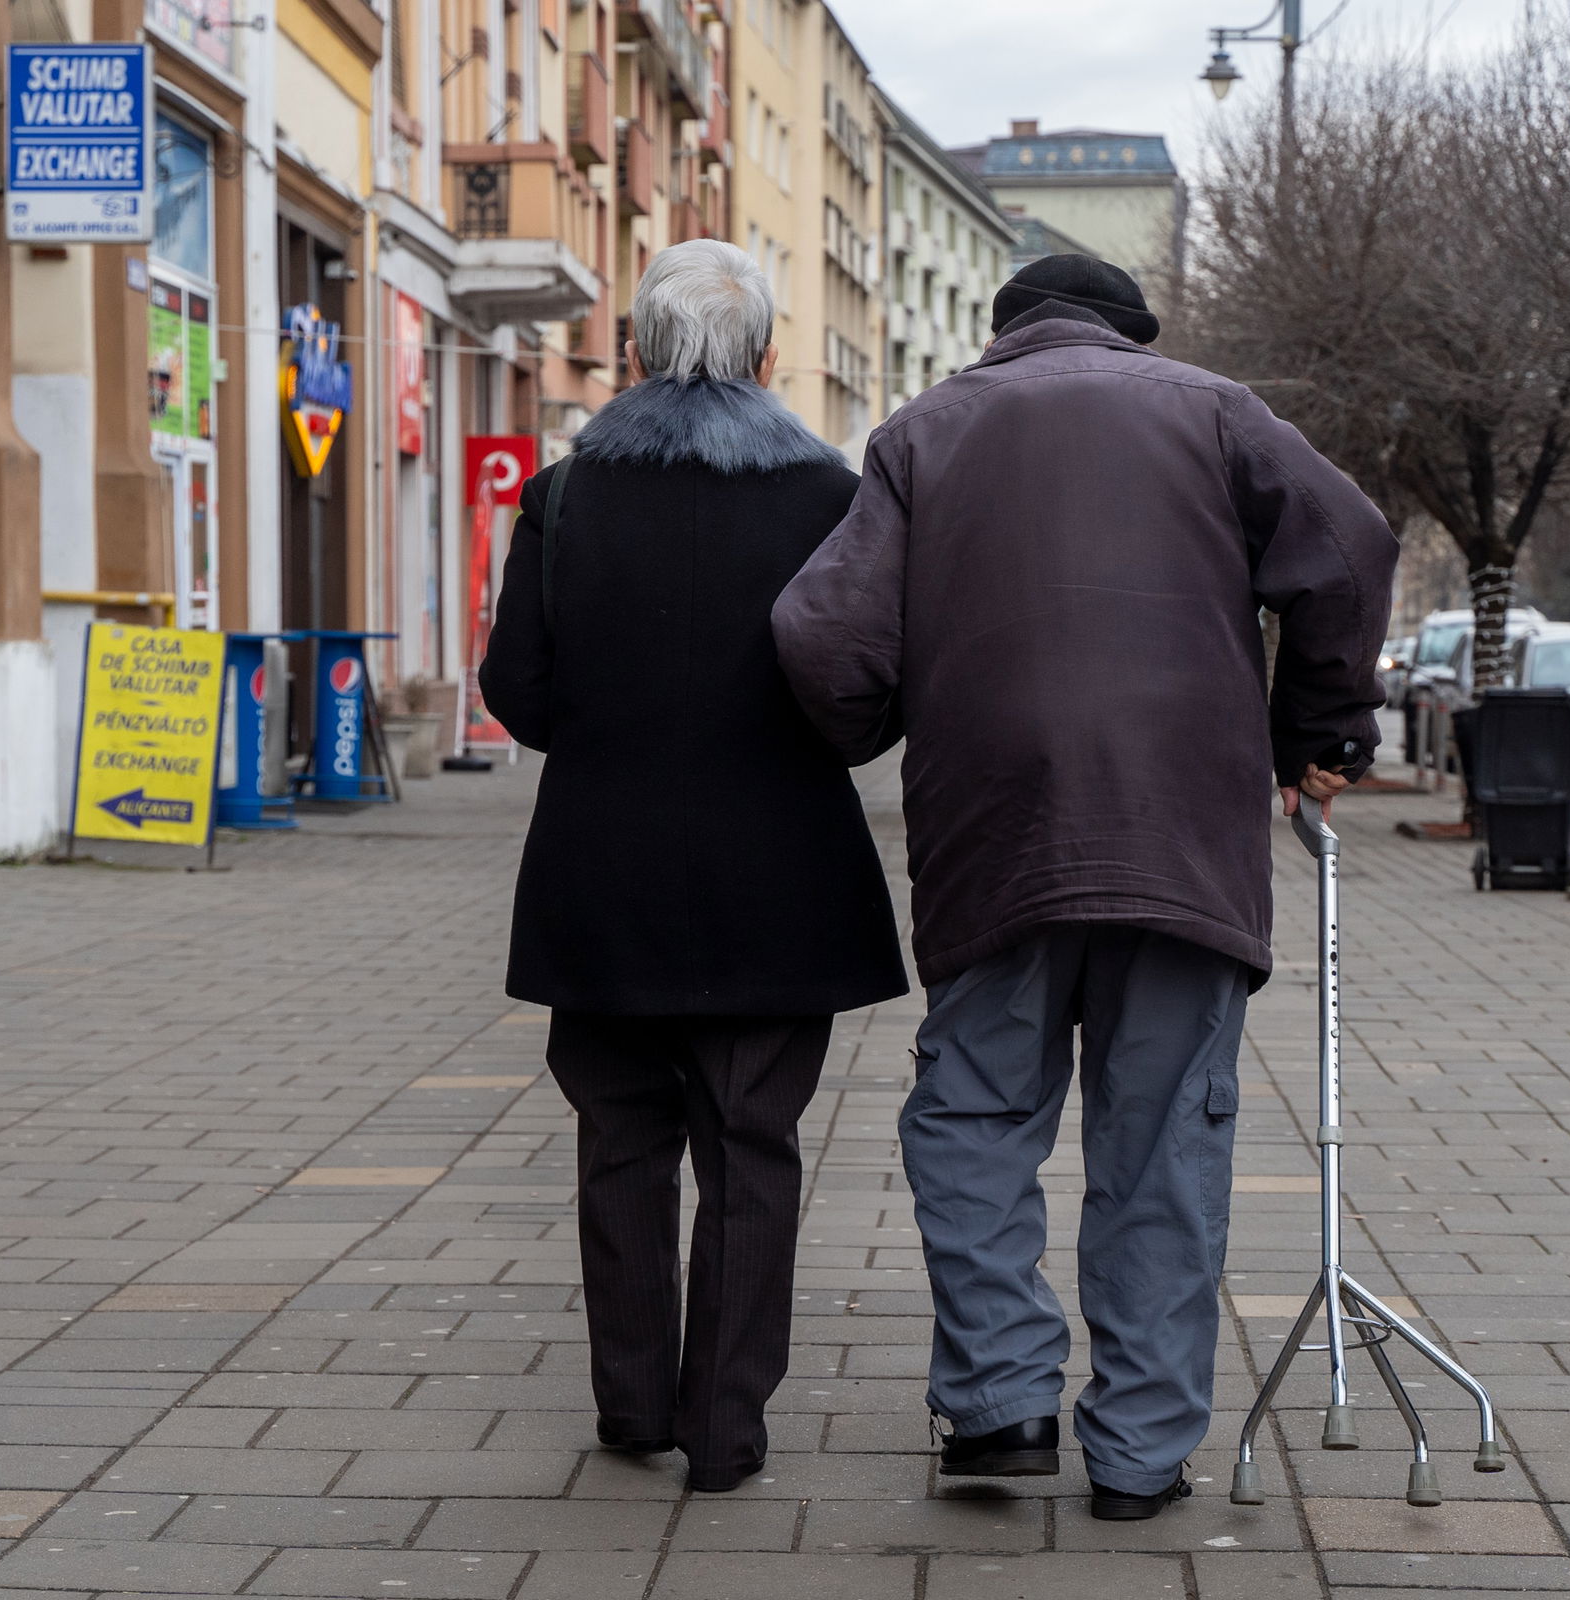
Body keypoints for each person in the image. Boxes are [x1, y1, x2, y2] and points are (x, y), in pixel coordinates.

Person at [771, 255, 1397, 1521]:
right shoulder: (1215, 411)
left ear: (1005, 334)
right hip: (1182, 830)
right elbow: (1348, 541)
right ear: (1131, 334)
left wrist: (884, 722)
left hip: (995, 828)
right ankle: (1138, 1453)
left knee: (974, 1115)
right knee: (1162, 1137)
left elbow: (821, 633)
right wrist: (1316, 734)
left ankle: (999, 1405)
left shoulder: (922, 431)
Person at [479, 240, 908, 1495]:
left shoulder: (564, 498)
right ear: (770, 360)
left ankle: (630, 1405)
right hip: (782, 882)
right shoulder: (831, 499)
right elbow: (868, 692)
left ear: (634, 356)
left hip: (598, 874)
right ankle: (726, 1432)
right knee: (753, 1148)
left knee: (618, 1139)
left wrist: (614, 737)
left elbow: (519, 689)